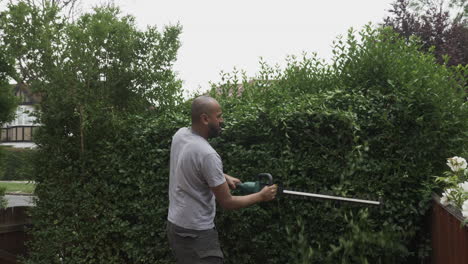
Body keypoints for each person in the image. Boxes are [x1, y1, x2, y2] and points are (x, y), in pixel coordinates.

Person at [166, 95, 278, 264]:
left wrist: (222, 176)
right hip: (196, 234)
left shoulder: (180, 135)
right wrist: (261, 196)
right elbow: (228, 202)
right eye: (218, 116)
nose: (222, 120)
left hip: (175, 226)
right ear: (205, 119)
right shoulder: (208, 154)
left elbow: (189, 163)